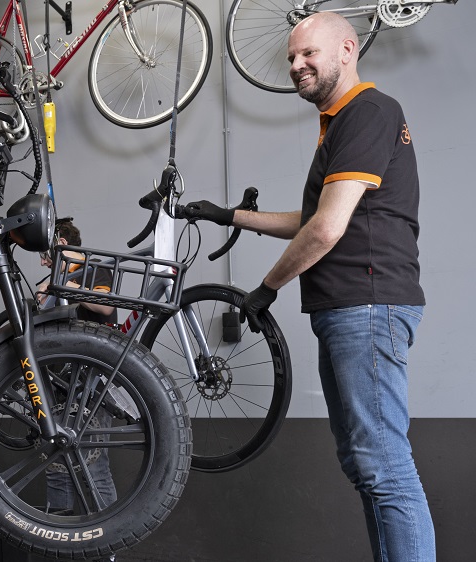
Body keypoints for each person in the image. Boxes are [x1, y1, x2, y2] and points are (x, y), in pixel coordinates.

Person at [184, 12, 434, 561]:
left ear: (347, 50)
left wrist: (266, 287)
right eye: (291, 57)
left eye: (308, 54)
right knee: (364, 465)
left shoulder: (368, 111)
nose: (296, 65)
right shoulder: (341, 122)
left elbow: (327, 228)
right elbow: (312, 217)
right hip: (348, 308)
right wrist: (232, 217)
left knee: (384, 465)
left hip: (367, 307)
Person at [37, 218, 118, 559]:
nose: (43, 260)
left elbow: (106, 306)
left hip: (90, 388)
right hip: (54, 391)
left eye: (46, 252)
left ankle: (106, 550)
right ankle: (58, 549)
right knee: (57, 471)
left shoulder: (96, 271)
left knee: (94, 470)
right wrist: (46, 287)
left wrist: (64, 280)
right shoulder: (51, 277)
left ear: (62, 243)